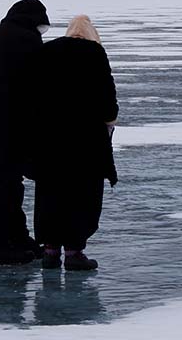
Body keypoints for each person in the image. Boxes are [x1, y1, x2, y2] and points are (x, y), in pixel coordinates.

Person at [31, 14, 119, 271]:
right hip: (85, 138)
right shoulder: (95, 53)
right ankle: (73, 251)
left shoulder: (48, 51)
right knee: (82, 194)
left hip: (49, 137)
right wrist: (109, 119)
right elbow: (106, 93)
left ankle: (49, 250)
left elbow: (34, 92)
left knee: (50, 191)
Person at [0, 0, 50, 266]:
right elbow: (37, 88)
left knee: (8, 182)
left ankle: (17, 237)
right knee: (8, 185)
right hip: (13, 126)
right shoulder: (27, 42)